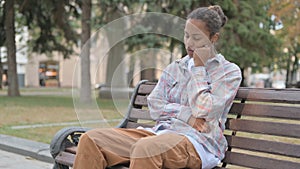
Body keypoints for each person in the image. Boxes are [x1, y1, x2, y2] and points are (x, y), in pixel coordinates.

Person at [73, 5, 242, 169]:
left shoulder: (228, 72)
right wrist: (186, 115)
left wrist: (198, 68)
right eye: (186, 36)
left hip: (199, 143)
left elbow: (204, 110)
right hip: (158, 134)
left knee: (146, 149)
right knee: (91, 140)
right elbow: (154, 104)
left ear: (214, 38)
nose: (189, 43)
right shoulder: (176, 67)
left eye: (196, 38)